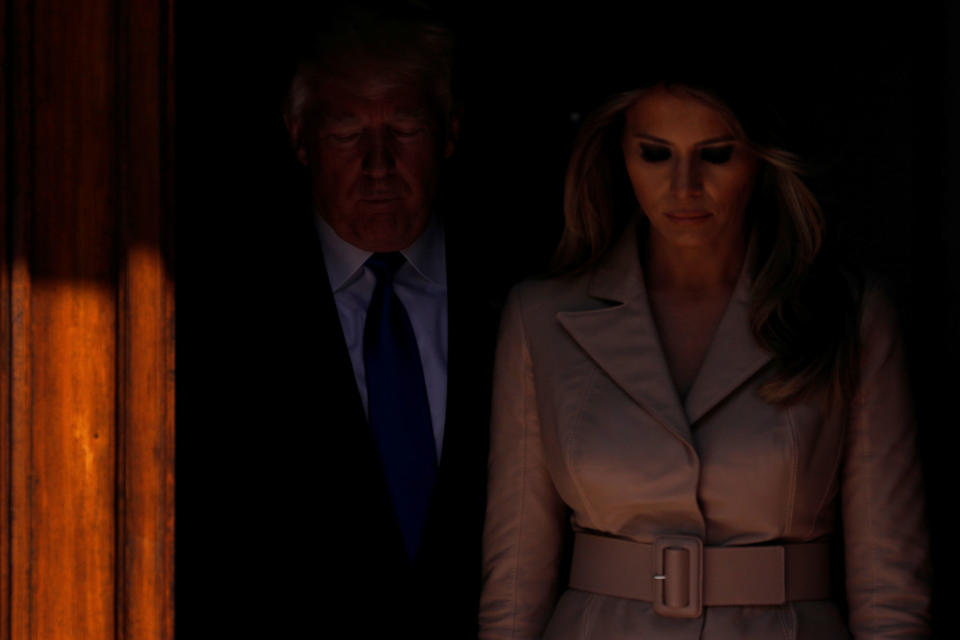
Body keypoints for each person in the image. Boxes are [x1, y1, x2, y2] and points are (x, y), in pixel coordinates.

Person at [479, 75, 931, 638]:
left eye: (716, 155)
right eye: (654, 154)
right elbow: (514, 579)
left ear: (761, 159)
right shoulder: (539, 318)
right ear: (620, 153)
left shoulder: (851, 314)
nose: (683, 186)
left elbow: (890, 589)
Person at [254, 3, 497, 636]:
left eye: (406, 128)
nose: (378, 163)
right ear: (298, 137)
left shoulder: (521, 292)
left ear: (450, 131)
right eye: (345, 134)